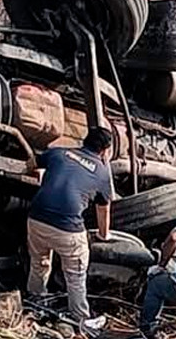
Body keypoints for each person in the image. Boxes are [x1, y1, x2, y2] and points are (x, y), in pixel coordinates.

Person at [26, 127, 113, 320]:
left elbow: (32, 163)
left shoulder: (59, 152)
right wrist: (103, 235)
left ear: (84, 141)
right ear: (105, 151)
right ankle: (80, 319)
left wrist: (41, 175)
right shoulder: (102, 173)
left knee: (39, 263)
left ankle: (34, 301)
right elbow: (103, 208)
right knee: (76, 275)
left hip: (36, 218)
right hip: (67, 228)